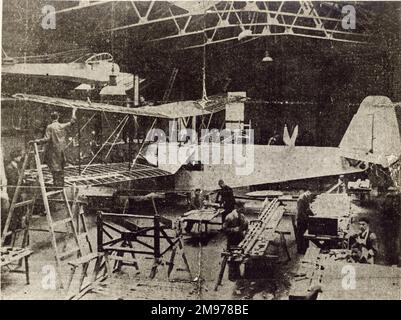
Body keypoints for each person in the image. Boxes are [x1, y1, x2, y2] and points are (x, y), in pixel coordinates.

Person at [31, 108, 77, 188]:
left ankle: (56, 187)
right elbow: (72, 122)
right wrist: (74, 111)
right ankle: (61, 186)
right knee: (61, 169)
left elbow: (46, 139)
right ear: (58, 117)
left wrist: (36, 141)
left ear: (50, 118)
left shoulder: (50, 127)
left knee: (55, 170)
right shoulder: (61, 125)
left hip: (53, 152)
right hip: (62, 151)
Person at [223, 203, 249, 280]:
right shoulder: (230, 217)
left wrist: (246, 228)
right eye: (241, 207)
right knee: (232, 258)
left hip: (240, 239)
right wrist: (233, 229)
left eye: (243, 207)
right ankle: (232, 277)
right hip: (232, 240)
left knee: (238, 257)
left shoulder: (242, 216)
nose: (242, 209)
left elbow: (245, 226)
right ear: (236, 207)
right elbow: (224, 229)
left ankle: (237, 275)